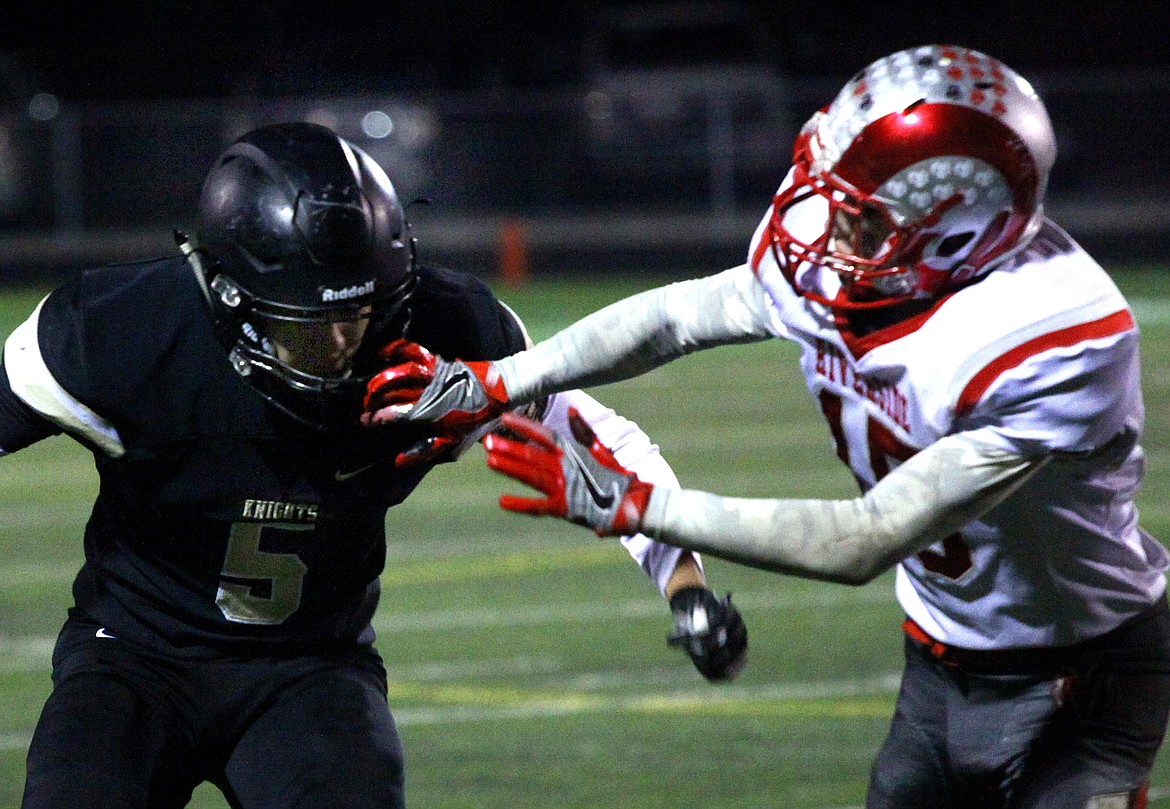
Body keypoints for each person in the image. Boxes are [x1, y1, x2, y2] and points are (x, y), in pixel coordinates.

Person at [362, 45, 1170, 808]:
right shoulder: (843, 253)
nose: (818, 227)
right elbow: (677, 316)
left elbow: (867, 537)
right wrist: (497, 379)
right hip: (939, 652)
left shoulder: (1049, 340)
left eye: (860, 216)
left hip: (1079, 674)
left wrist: (639, 506)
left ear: (959, 234)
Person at [2, 121, 746, 809]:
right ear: (232, 302)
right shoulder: (121, 331)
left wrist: (684, 585)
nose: (344, 347)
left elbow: (597, 438)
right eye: (311, 327)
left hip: (310, 666)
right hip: (134, 655)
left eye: (361, 314)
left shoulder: (442, 329)